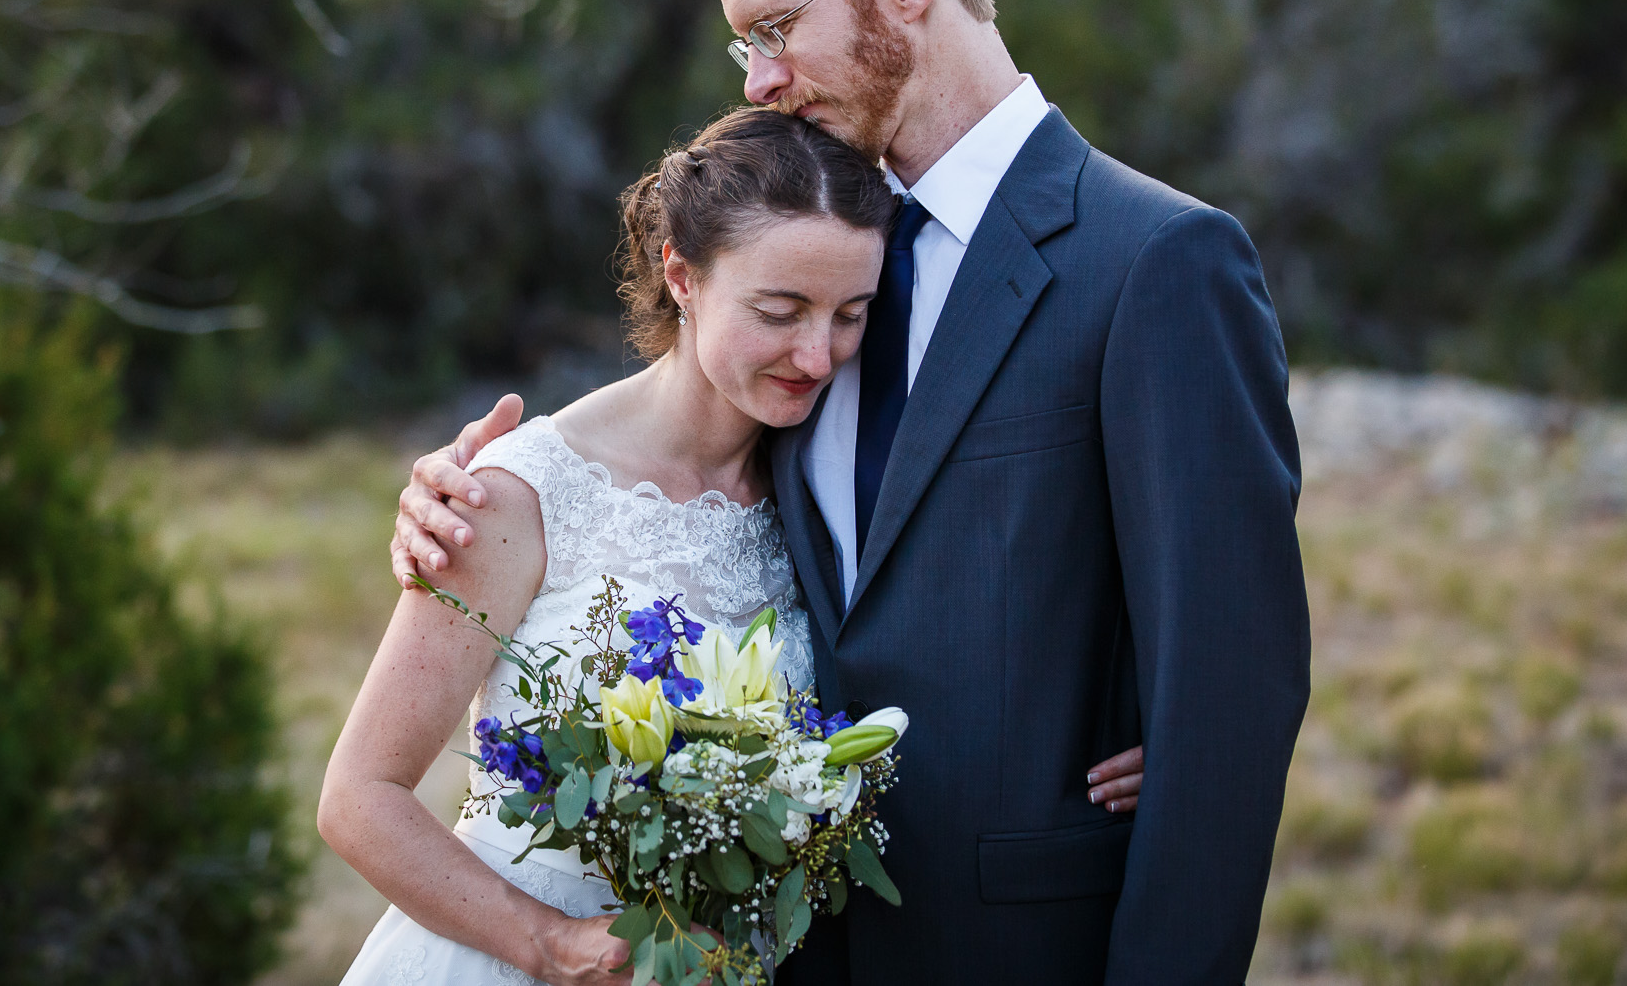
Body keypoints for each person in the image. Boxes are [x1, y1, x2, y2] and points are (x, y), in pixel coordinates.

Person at [394, 0, 1307, 982]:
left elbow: (1228, 689)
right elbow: (662, 468)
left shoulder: (1156, 264)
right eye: (743, 48)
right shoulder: (821, 270)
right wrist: (462, 508)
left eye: (775, 27)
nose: (762, 81)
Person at [321, 108, 1148, 986]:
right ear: (681, 274)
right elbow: (359, 799)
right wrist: (545, 942)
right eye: (780, 310)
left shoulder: (821, 489)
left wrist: (1142, 729)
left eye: (850, 314)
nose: (817, 354)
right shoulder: (516, 490)